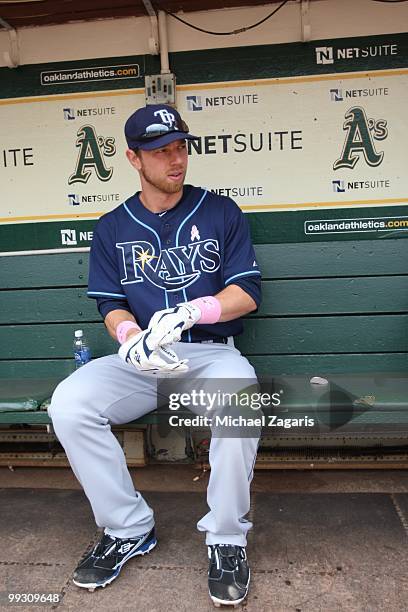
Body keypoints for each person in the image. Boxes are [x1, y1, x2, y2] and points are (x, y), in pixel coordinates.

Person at [48, 103, 262, 607]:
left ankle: (227, 538)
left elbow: (246, 292)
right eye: (160, 150)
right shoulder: (111, 226)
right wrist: (128, 336)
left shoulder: (220, 211)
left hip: (209, 353)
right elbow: (110, 301)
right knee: (70, 405)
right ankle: (127, 528)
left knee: (239, 401)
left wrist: (193, 311)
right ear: (133, 158)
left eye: (180, 146)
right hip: (141, 358)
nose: (176, 159)